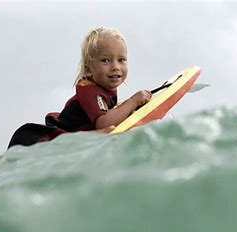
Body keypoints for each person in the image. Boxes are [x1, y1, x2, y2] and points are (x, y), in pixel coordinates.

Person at [8, 27, 151, 147]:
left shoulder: (104, 86)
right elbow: (103, 123)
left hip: (77, 131)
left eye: (121, 60)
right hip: (56, 137)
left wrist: (120, 108)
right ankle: (92, 136)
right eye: (105, 60)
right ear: (88, 69)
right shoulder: (91, 91)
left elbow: (102, 113)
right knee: (104, 130)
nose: (115, 67)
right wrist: (132, 102)